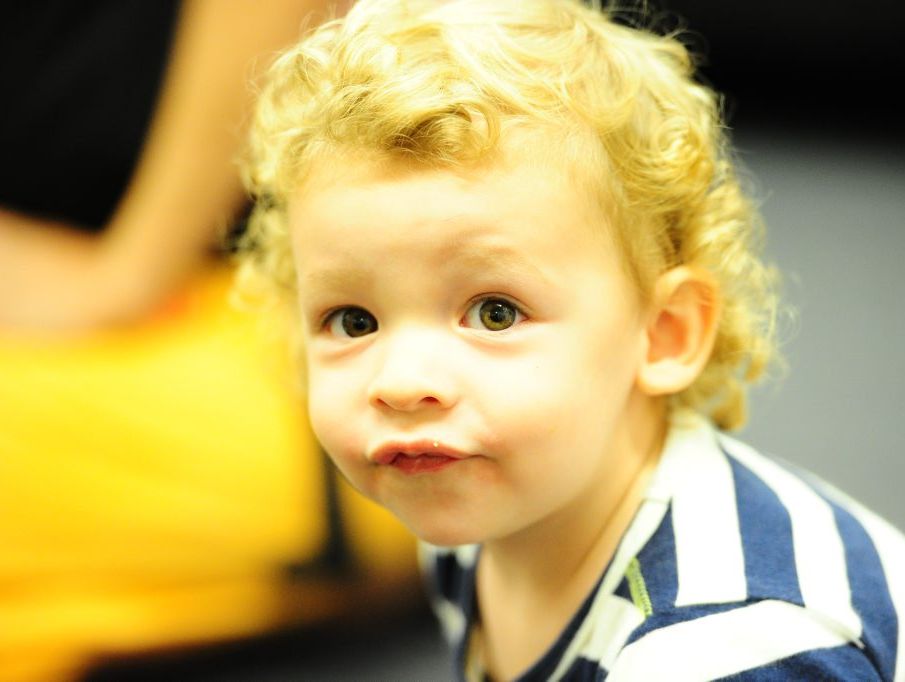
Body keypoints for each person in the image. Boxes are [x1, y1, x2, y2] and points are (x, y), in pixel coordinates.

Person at [238, 0, 905, 679]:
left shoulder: (724, 645)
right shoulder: (463, 507)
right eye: (354, 321)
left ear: (663, 333)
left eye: (495, 312)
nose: (403, 382)